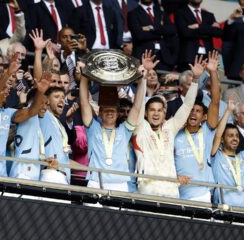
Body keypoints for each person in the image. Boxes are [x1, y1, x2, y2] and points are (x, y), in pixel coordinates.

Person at [132, 53, 207, 198]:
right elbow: (138, 104)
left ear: (164, 112)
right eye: (152, 110)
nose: (156, 114)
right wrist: (144, 76)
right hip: (148, 191)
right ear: (146, 113)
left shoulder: (169, 128)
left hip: (172, 191)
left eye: (160, 110)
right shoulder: (140, 128)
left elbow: (187, 106)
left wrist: (196, 79)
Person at [79, 50, 154, 192]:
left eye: (113, 109)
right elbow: (84, 102)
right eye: (106, 109)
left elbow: (137, 107)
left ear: (118, 113)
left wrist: (143, 79)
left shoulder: (124, 130)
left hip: (120, 183)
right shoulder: (92, 127)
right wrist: (84, 76)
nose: (109, 112)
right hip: (95, 181)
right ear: (99, 112)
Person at [174, 52, 221, 202]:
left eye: (198, 111)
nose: (193, 113)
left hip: (204, 194)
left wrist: (212, 73)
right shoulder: (175, 133)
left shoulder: (207, 130)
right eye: (191, 110)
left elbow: (215, 101)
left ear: (204, 116)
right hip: (178, 193)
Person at [211, 96, 244, 208]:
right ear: (222, 139)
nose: (235, 138)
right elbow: (217, 135)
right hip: (223, 208)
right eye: (230, 136)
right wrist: (228, 110)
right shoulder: (216, 156)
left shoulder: (242, 157)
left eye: (236, 135)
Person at [9, 77, 52, 180]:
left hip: (34, 171)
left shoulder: (37, 119)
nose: (45, 108)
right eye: (42, 102)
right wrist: (40, 91)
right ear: (33, 101)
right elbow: (31, 110)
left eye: (47, 104)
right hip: (22, 170)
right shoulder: (25, 113)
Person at [128, 0, 178, 71]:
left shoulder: (161, 12)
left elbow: (172, 30)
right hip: (144, 57)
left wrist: (152, 28)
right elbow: (139, 35)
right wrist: (161, 34)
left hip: (163, 58)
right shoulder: (133, 13)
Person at [175, 0, 222, 71]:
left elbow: (218, 33)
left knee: (206, 81)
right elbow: (185, 32)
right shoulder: (180, 12)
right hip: (188, 57)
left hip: (208, 57)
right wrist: (208, 29)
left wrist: (198, 26)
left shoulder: (209, 15)